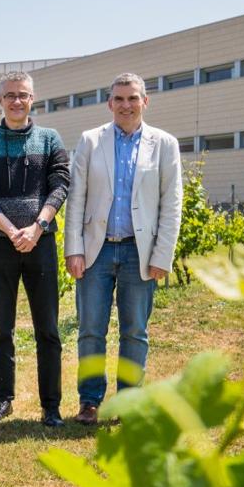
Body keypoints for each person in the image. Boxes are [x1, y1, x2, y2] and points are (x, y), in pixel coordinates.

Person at [64, 72, 183, 425]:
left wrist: (163, 254)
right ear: (109, 103)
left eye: (133, 98)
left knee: (135, 331)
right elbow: (77, 199)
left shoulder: (164, 144)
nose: (126, 105)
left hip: (139, 252)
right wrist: (74, 249)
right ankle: (90, 401)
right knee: (90, 329)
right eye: (119, 99)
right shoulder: (90, 141)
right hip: (96, 251)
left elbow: (171, 203)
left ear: (145, 101)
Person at [0, 71, 70, 428]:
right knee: (1, 328)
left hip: (40, 244)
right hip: (0, 245)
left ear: (32, 99)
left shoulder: (49, 139)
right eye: (10, 95)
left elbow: (60, 185)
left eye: (22, 95)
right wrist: (13, 230)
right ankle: (4, 399)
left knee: (48, 328)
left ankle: (51, 405)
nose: (16, 101)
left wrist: (37, 227)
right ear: (0, 100)